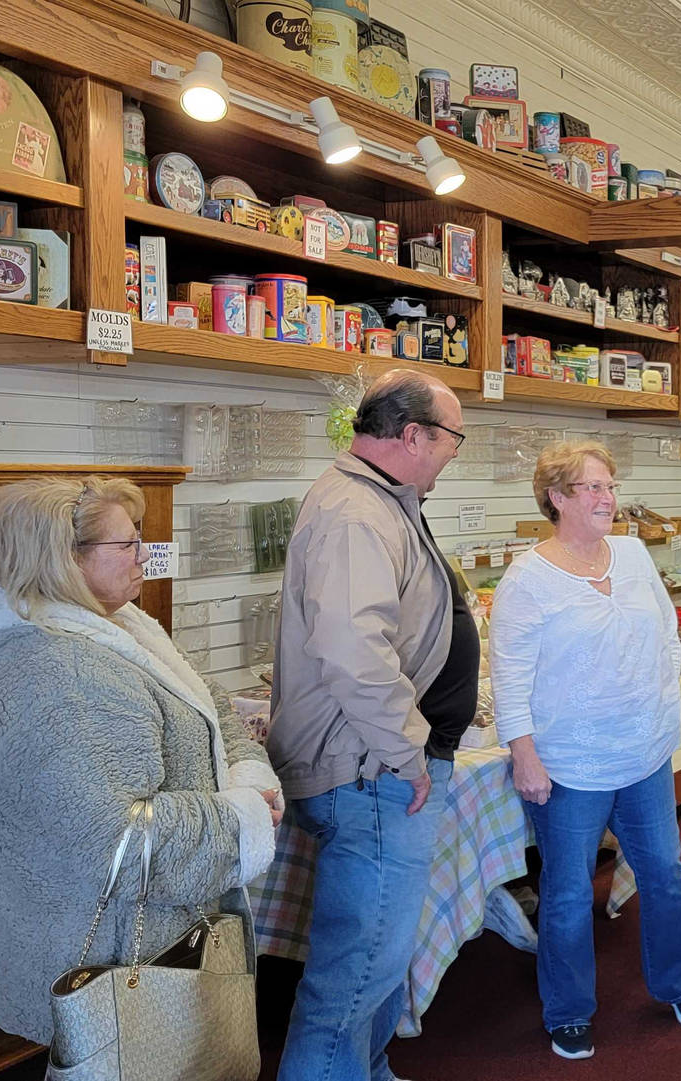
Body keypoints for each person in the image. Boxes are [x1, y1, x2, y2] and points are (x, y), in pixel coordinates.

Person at [0, 476, 282, 1046]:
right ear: (64, 561)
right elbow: (115, 843)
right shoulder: (61, 671)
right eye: (126, 545)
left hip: (148, 942)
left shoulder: (123, 630)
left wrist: (249, 780)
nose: (143, 556)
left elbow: (213, 711)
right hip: (111, 954)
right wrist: (243, 817)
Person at [268, 369, 476, 1081]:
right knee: (351, 981)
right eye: (453, 438)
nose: (455, 451)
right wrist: (409, 751)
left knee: (376, 967)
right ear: (413, 435)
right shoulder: (357, 511)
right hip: (373, 773)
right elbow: (355, 652)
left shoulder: (382, 499)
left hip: (378, 769)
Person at [491, 440, 681, 1061]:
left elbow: (667, 638)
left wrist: (664, 712)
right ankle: (567, 1011)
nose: (606, 498)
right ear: (557, 498)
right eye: (591, 487)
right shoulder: (527, 578)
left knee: (666, 877)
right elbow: (509, 676)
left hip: (643, 756)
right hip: (569, 766)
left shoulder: (634, 552)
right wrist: (525, 755)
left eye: (609, 486)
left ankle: (678, 985)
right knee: (566, 895)